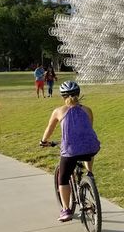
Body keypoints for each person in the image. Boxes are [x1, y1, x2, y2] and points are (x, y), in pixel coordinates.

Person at [40, 81, 100, 222]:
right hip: (91, 147)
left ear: (62, 96)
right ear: (78, 94)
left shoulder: (59, 111)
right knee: (87, 147)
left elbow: (49, 129)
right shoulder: (87, 110)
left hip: (70, 150)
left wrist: (43, 141)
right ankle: (89, 173)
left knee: (63, 177)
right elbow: (88, 129)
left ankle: (66, 209)